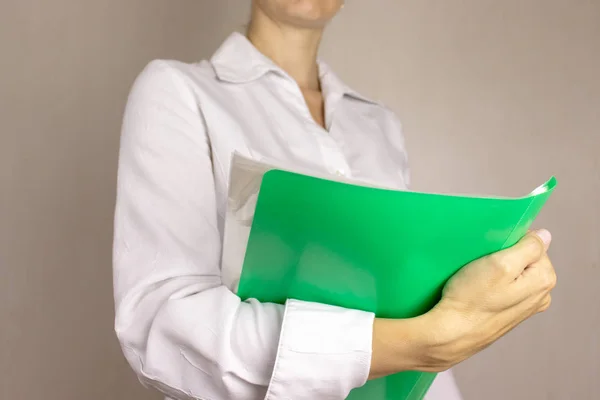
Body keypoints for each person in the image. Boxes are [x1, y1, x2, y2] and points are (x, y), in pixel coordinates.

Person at [112, 1, 557, 399]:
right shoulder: (178, 90)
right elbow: (163, 326)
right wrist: (424, 342)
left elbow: (407, 303)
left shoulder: (378, 124)